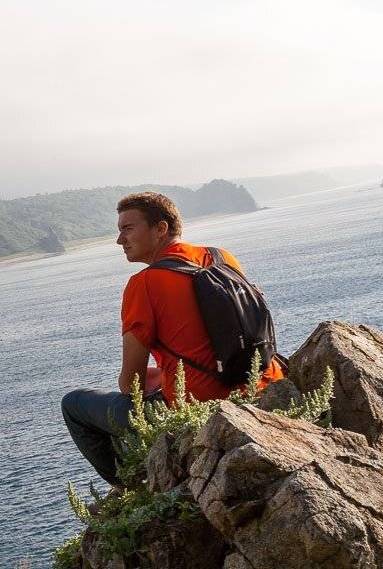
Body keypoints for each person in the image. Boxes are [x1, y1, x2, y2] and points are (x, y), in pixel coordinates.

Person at [61, 191, 284, 487]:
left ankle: (134, 488)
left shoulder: (143, 284)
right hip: (265, 383)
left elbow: (132, 384)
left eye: (128, 229)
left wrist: (162, 379)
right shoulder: (221, 257)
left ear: (161, 228)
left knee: (74, 405)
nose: (120, 240)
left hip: (202, 404)